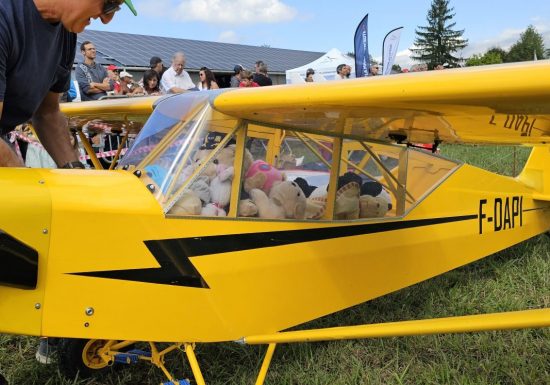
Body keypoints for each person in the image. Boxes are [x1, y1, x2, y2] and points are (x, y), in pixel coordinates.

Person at [0, 0, 136, 169]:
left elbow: (47, 112)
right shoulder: (5, 16)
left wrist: (75, 172)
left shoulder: (66, 35)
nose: (107, 18)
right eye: (109, 4)